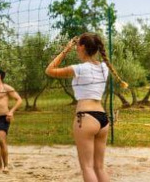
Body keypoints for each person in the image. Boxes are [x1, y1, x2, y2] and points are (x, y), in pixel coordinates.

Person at [45, 33, 127, 182]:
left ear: (82, 47)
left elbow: (49, 70)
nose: (76, 49)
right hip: (103, 119)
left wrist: (65, 50)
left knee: (87, 167)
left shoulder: (79, 69)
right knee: (99, 168)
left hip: (86, 118)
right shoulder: (104, 67)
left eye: (77, 46)